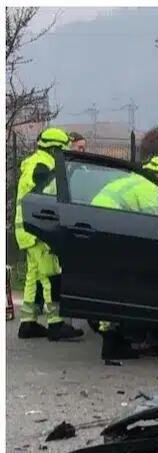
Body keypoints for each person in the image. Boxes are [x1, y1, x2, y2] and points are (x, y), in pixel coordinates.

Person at [90, 155, 158, 362]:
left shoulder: (132, 179)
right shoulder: (150, 188)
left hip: (96, 225)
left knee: (108, 285)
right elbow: (155, 224)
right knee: (116, 285)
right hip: (110, 230)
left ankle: (113, 338)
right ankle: (112, 343)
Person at [13, 127, 84, 342]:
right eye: (62, 149)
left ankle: (28, 322)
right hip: (38, 230)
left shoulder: (34, 162)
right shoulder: (45, 166)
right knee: (51, 276)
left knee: (33, 277)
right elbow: (50, 197)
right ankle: (56, 324)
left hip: (25, 230)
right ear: (54, 148)